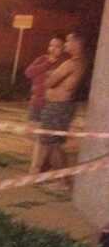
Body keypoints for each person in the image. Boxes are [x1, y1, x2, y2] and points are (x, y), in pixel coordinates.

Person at [34, 31, 88, 189]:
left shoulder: (71, 63)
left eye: (68, 41)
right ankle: (60, 178)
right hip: (61, 107)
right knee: (52, 143)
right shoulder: (81, 62)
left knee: (53, 144)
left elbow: (49, 82)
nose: (65, 44)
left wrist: (51, 75)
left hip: (58, 107)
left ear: (77, 43)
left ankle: (64, 181)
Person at [25, 34, 66, 173]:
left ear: (63, 48)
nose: (53, 48)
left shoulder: (64, 64)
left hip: (51, 105)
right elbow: (29, 73)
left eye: (57, 46)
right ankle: (44, 164)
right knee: (36, 135)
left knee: (44, 138)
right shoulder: (42, 59)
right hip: (36, 102)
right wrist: (47, 63)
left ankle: (37, 167)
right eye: (51, 45)